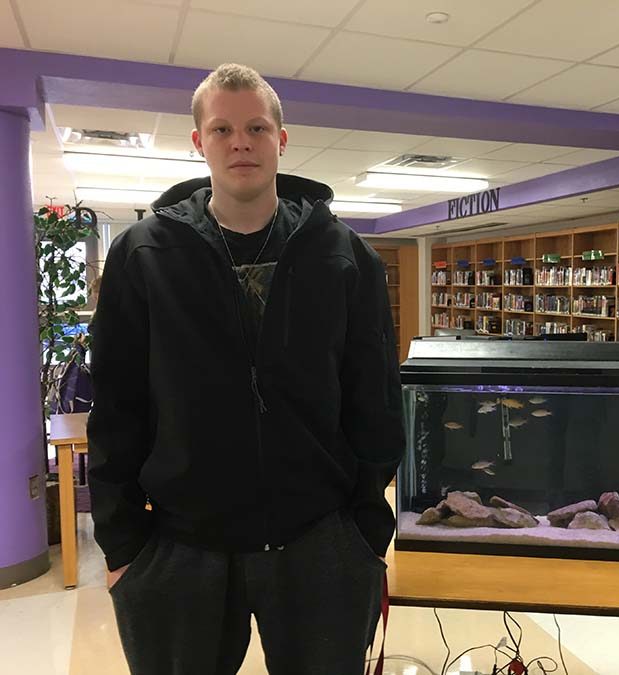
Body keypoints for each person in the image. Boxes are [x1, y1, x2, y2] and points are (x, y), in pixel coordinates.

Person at [87, 63, 404, 675]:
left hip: (321, 540)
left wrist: (366, 527)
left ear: (281, 139)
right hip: (181, 544)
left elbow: (375, 398)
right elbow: (118, 403)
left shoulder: (345, 256)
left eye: (257, 127)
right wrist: (123, 542)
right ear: (198, 141)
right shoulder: (143, 254)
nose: (241, 142)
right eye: (222, 128)